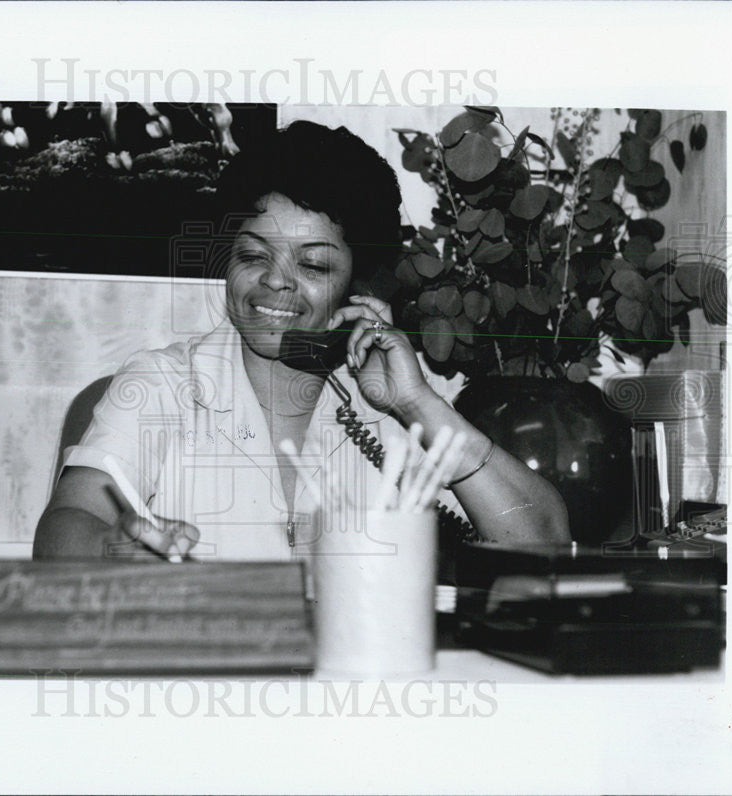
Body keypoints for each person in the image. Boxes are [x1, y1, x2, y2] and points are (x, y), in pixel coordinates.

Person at [33, 121, 569, 561]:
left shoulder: (387, 409)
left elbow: (542, 540)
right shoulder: (162, 384)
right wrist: (117, 550)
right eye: (252, 255)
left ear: (357, 286)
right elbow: (65, 529)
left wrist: (416, 403)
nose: (275, 281)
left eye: (313, 264)